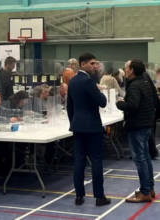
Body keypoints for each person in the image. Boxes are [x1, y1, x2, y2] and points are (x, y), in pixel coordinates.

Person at [67, 53, 110, 206]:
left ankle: (79, 196)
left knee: (79, 161)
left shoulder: (72, 81)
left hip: (78, 126)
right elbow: (103, 102)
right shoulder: (89, 81)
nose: (95, 66)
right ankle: (99, 197)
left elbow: (69, 106)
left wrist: (74, 122)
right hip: (92, 126)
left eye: (95, 63)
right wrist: (98, 89)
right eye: (92, 64)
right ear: (83, 64)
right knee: (96, 161)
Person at [116, 59, 157, 203]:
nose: (125, 70)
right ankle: (149, 188)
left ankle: (145, 192)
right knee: (145, 158)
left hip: (137, 127)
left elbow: (132, 105)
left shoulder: (134, 86)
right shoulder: (145, 82)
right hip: (146, 125)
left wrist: (120, 103)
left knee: (140, 160)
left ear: (132, 70)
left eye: (126, 68)